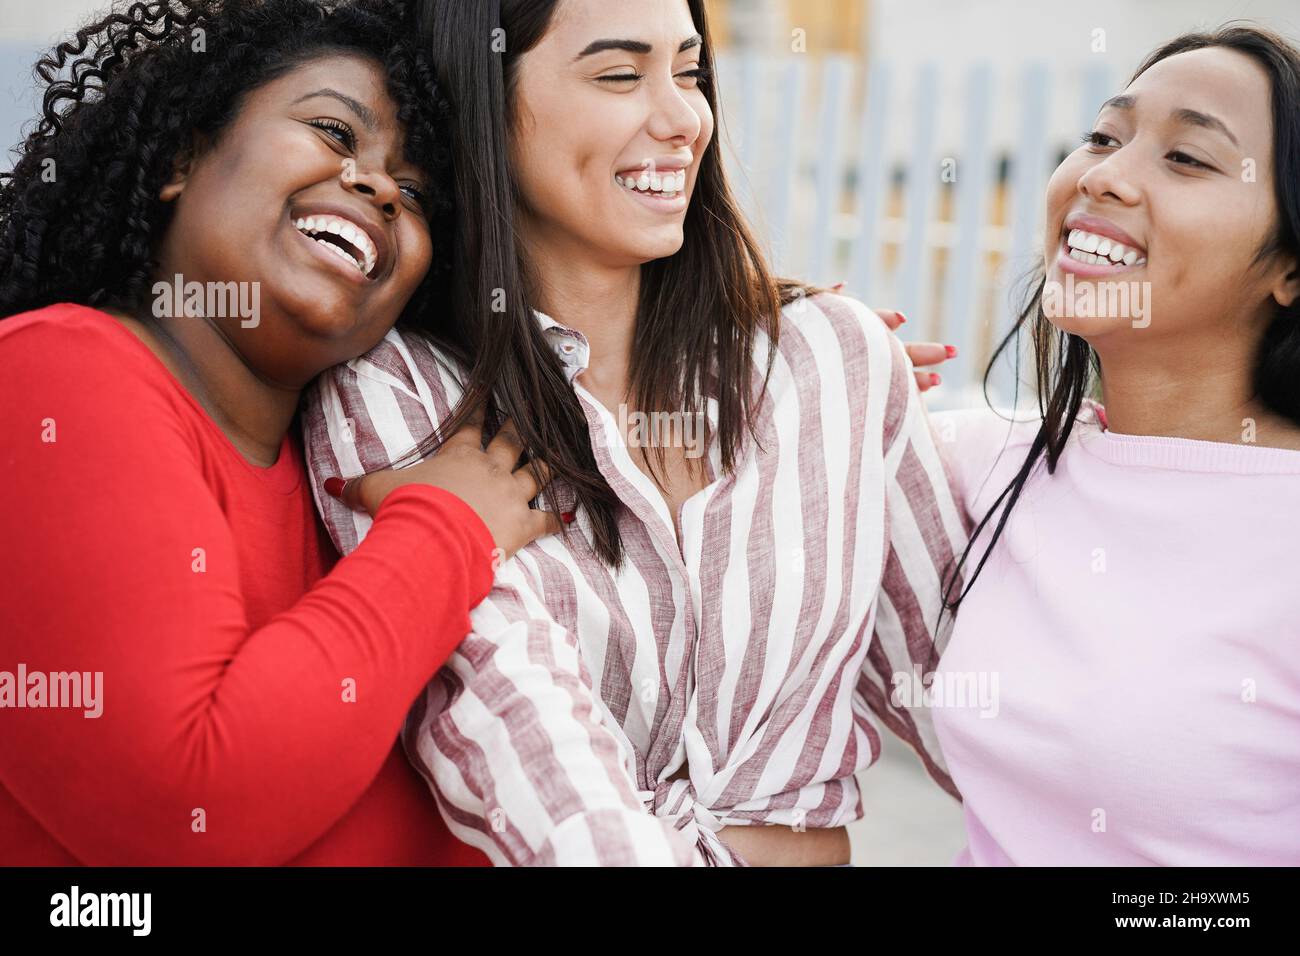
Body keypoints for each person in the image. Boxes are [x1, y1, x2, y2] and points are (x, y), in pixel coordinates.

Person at [305, 0, 964, 866]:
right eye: (620, 74)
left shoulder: (832, 356)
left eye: (689, 72)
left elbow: (969, 705)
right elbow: (515, 730)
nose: (683, 118)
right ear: (484, 110)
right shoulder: (399, 397)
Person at [0, 0, 589, 866]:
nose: (379, 186)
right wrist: (443, 532)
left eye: (415, 192)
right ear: (181, 156)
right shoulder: (56, 377)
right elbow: (189, 807)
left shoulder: (354, 468)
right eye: (333, 131)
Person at [932, 24, 1300, 865]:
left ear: (1289, 267)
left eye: (1188, 159)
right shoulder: (986, 465)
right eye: (1104, 136)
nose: (1103, 176)